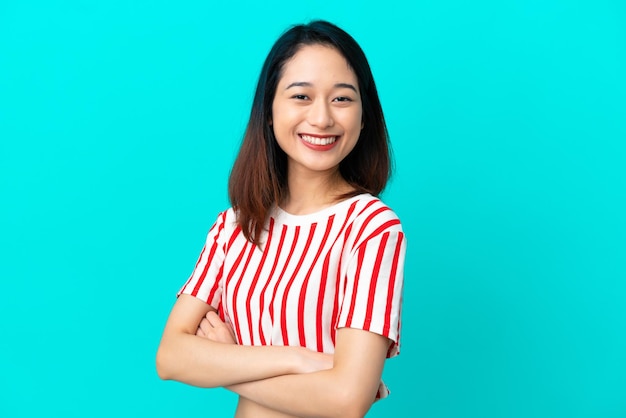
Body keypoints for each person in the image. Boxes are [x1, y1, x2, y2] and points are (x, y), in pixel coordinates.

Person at [156, 20, 407, 418]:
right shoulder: (233, 226)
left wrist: (228, 361)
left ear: (365, 116)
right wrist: (301, 360)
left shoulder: (371, 227)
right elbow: (170, 356)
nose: (322, 119)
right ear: (269, 111)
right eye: (301, 96)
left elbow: (346, 401)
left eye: (342, 99)